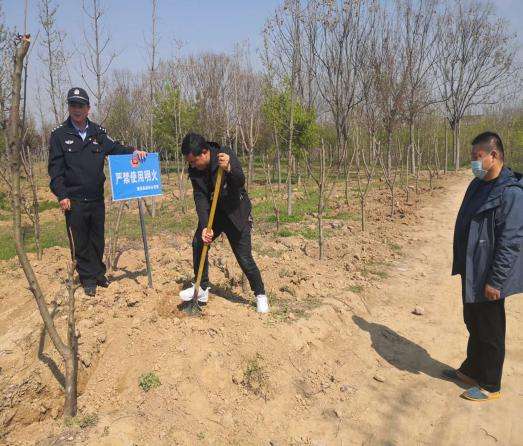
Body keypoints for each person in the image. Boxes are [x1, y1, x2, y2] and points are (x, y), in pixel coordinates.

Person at [444, 131, 523, 401]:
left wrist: (496, 280)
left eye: (477, 156)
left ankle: (490, 384)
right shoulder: (477, 185)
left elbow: (511, 242)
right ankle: (472, 369)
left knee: (490, 329)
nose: (473, 162)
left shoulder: (511, 193)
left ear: (494, 155)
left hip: (489, 274)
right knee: (473, 321)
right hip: (472, 267)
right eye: (472, 156)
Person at [48, 87, 147, 296]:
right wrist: (62, 194)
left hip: (96, 197)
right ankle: (87, 278)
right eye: (73, 105)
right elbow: (55, 170)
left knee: (97, 238)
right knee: (81, 240)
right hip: (74, 199)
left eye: (80, 105)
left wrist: (133, 151)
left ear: (88, 108)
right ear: (69, 107)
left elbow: (115, 148)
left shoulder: (97, 132)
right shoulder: (59, 135)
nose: (77, 109)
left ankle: (99, 273)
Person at [178, 133, 269, 313]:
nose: (192, 165)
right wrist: (205, 226)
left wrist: (229, 168)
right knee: (199, 242)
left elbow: (240, 180)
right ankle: (202, 287)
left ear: (204, 153)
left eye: (194, 161)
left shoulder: (224, 155)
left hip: (236, 213)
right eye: (190, 162)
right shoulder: (194, 170)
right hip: (215, 215)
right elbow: (200, 198)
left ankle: (260, 294)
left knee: (244, 257)